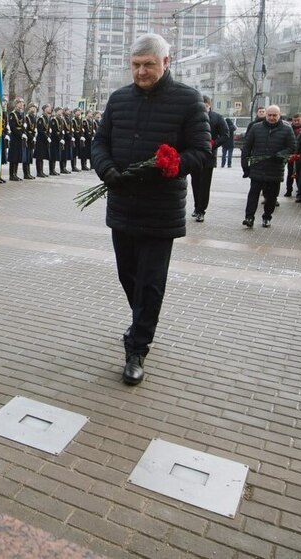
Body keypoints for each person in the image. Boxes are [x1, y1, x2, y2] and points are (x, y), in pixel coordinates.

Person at [91, 33, 210, 385]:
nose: (141, 72)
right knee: (128, 276)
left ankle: (137, 347)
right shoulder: (119, 99)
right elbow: (99, 141)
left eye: (148, 65)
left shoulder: (188, 101)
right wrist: (106, 168)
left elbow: (202, 152)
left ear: (166, 63)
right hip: (123, 205)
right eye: (136, 65)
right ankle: (142, 320)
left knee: (151, 282)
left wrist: (172, 165)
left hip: (161, 210)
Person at [240, 105, 295, 228]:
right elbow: (247, 146)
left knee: (271, 197)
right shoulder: (256, 128)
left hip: (275, 169)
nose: (271, 117)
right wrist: (245, 165)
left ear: (279, 115)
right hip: (258, 167)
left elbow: (292, 147)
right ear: (266, 115)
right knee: (253, 194)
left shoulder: (287, 129)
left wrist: (281, 154)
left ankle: (267, 217)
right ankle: (249, 217)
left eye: (274, 115)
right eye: (269, 115)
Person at [190, 95, 228, 223]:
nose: (203, 108)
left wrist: (213, 144)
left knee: (204, 185)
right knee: (195, 183)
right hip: (195, 155)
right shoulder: (194, 116)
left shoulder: (217, 118)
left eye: (205, 106)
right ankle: (196, 207)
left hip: (209, 156)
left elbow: (225, 135)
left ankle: (201, 211)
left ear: (209, 105)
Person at [284, 113, 301, 197]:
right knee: (290, 173)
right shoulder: (289, 129)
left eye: (298, 120)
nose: (296, 122)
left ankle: (300, 191)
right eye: (294, 120)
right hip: (291, 155)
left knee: (299, 174)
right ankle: (289, 190)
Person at [8, 97, 27, 181]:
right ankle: (11, 175)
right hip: (15, 137)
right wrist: (20, 134)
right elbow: (12, 127)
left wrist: (24, 131)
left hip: (20, 137)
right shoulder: (13, 114)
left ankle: (15, 174)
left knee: (18, 156)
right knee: (13, 157)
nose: (22, 104)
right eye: (20, 103)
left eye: (22, 103)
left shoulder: (21, 114)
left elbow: (21, 125)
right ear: (16, 104)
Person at [35, 103, 52, 178]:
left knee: (42, 157)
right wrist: (47, 137)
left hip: (44, 140)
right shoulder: (41, 118)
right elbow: (40, 130)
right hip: (41, 140)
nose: (50, 109)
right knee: (39, 157)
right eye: (48, 108)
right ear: (45, 109)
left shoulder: (47, 118)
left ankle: (41, 171)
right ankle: (39, 172)